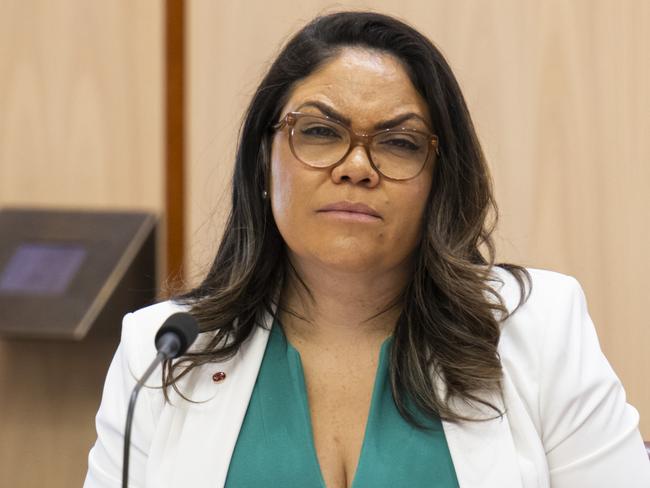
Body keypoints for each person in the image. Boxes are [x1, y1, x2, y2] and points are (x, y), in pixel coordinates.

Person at [84, 11, 650, 488]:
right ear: (264, 159)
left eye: (399, 143)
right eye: (320, 132)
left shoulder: (539, 329)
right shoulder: (164, 350)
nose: (356, 167)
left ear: (439, 179)